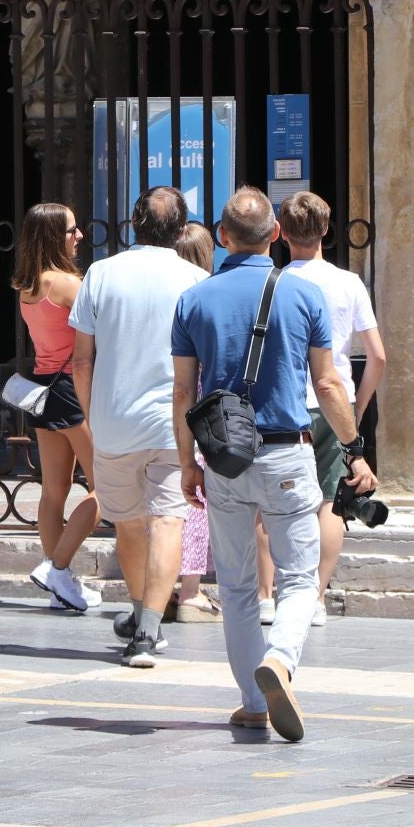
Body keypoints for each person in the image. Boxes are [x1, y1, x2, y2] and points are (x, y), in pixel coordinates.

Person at [171, 188, 373, 741]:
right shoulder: (303, 295)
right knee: (298, 575)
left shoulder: (195, 300)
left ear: (222, 236)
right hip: (287, 448)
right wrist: (354, 448)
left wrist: (188, 463)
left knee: (235, 586)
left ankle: (251, 702)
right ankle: (281, 660)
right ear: (276, 235)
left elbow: (184, 389)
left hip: (223, 456)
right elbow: (329, 382)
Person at [71, 187, 206, 667]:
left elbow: (81, 361)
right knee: (170, 520)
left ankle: (138, 612)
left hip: (115, 421)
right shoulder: (196, 279)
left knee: (128, 523)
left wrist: (92, 415)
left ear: (133, 223)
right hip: (175, 426)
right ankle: (147, 630)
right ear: (181, 227)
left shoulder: (102, 274)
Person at [279, 192, 387, 627]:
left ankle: (272, 594)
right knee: (331, 502)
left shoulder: (276, 282)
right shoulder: (349, 282)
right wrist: (356, 410)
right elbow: (377, 356)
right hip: (333, 401)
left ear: (281, 234)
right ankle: (316, 597)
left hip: (287, 402)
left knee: (279, 504)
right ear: (326, 229)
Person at [12, 202, 101, 612]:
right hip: (72, 389)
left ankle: (59, 583)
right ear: (53, 237)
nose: (79, 235)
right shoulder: (67, 284)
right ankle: (57, 569)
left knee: (54, 491)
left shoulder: (28, 286)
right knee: (108, 490)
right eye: (71, 230)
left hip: (43, 389)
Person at [169, 222, 220, 623]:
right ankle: (190, 590)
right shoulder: (206, 296)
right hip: (199, 408)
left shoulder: (164, 294)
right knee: (195, 503)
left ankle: (157, 587)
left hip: (156, 405)